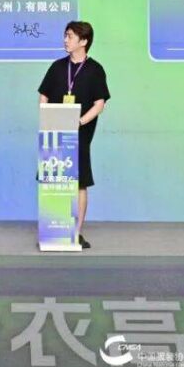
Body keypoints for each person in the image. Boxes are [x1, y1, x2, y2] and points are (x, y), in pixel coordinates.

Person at [38, 21, 110, 249]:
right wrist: (47, 116)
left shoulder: (95, 70)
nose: (65, 40)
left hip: (80, 133)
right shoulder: (57, 67)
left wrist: (79, 122)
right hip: (54, 132)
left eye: (70, 36)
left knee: (79, 182)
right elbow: (44, 95)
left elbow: (100, 104)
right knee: (54, 179)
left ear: (84, 41)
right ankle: (54, 230)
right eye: (65, 35)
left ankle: (75, 233)